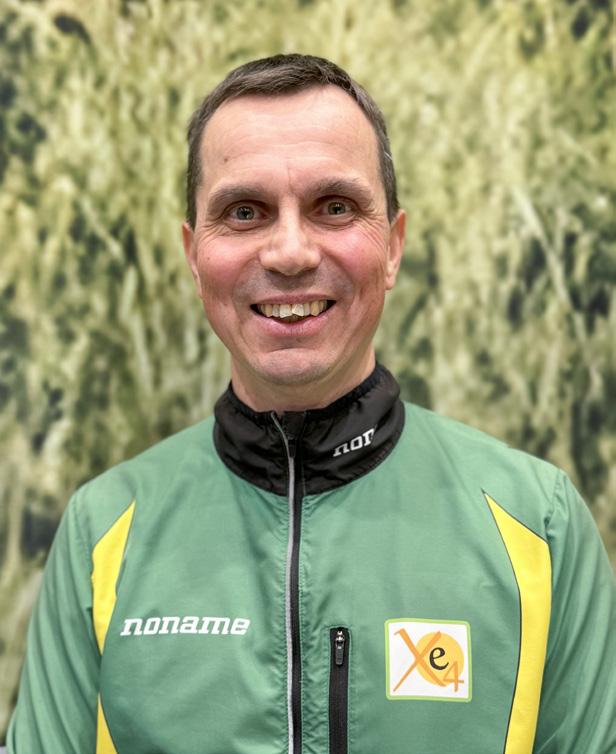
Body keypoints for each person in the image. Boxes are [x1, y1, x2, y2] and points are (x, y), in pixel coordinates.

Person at [7, 53, 616, 754]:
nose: (291, 252)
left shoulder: (540, 523)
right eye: (245, 212)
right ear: (194, 256)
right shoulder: (102, 532)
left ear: (393, 246)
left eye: (334, 207)